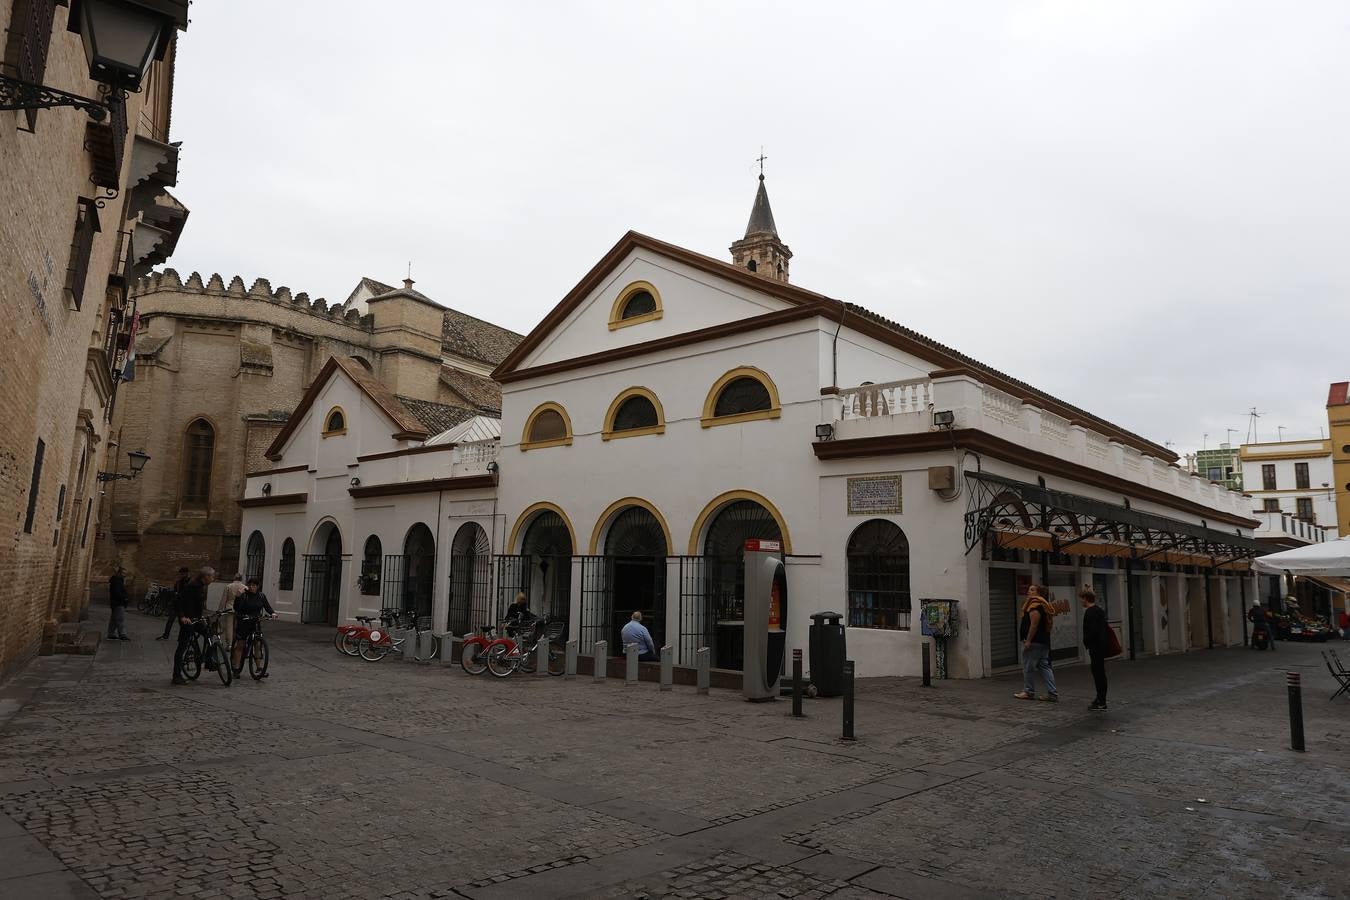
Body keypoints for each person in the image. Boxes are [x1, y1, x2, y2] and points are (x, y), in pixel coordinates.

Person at [1013, 584, 1057, 702]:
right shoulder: (1044, 605)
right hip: (1043, 641)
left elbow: (1034, 625)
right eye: (1029, 589)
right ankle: (1052, 693)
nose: (1029, 591)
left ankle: (1028, 691)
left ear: (1039, 593)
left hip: (1035, 642)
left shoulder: (1035, 606)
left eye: (1032, 590)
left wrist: (1028, 640)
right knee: (1044, 666)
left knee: (1028, 666)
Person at [171, 566, 215, 685]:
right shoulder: (192, 586)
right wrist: (182, 616)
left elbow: (197, 605)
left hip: (195, 618)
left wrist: (202, 617)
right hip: (187, 619)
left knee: (209, 633)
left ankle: (208, 661)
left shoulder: (201, 586)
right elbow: (178, 601)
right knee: (182, 646)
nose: (213, 579)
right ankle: (176, 676)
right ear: (206, 576)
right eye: (212, 576)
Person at [231, 577, 277, 675]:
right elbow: (237, 608)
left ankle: (259, 668)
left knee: (258, 644)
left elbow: (267, 606)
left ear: (258, 586)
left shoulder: (261, 596)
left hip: (255, 622)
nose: (252, 588)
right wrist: (238, 597)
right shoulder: (244, 596)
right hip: (244, 621)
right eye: (250, 585)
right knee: (240, 645)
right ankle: (236, 667)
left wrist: (272, 613)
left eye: (254, 586)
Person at [1080, 587, 1109, 710]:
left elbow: (1092, 631)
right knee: (1100, 673)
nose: (1081, 601)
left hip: (1095, 647)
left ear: (1086, 599)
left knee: (1098, 673)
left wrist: (1087, 642)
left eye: (1082, 599)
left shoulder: (1090, 612)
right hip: (1101, 646)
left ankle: (1101, 701)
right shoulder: (1099, 610)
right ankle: (1100, 698)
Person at [157, 567, 191, 640]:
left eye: (183, 573)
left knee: (182, 622)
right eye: (181, 574)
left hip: (184, 606)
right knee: (170, 620)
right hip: (176, 604)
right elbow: (175, 591)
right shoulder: (179, 582)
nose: (181, 575)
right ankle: (166, 635)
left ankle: (182, 637)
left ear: (186, 573)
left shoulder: (190, 582)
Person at [218, 573, 248, 652]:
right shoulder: (245, 587)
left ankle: (230, 644)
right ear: (241, 579)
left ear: (234, 578)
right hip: (240, 609)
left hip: (230, 608)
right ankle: (238, 643)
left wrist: (220, 610)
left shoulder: (229, 586)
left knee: (229, 626)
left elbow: (224, 599)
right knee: (238, 627)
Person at [106, 567, 131, 641]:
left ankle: (111, 633)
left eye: (125, 574)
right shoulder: (117, 581)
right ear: (119, 573)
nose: (124, 575)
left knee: (114, 619)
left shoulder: (118, 580)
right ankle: (122, 634)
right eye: (123, 573)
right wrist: (124, 598)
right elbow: (117, 593)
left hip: (115, 602)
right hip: (118, 603)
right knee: (120, 618)